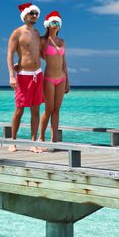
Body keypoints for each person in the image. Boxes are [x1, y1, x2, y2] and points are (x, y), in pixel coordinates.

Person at [6, 2, 44, 152]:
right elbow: (9, 54)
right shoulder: (17, 33)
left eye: (36, 14)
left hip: (38, 75)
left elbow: (37, 53)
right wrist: (11, 75)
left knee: (35, 110)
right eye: (32, 13)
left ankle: (33, 143)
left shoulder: (36, 33)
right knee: (19, 110)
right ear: (25, 15)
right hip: (23, 76)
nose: (35, 16)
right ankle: (12, 140)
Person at [38, 11, 69, 150]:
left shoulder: (62, 42)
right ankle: (41, 138)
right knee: (49, 108)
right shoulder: (43, 41)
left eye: (57, 22)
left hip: (61, 78)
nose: (55, 25)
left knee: (57, 110)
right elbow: (34, 55)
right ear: (48, 24)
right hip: (49, 78)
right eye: (53, 22)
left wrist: (67, 81)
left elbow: (64, 62)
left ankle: (54, 141)